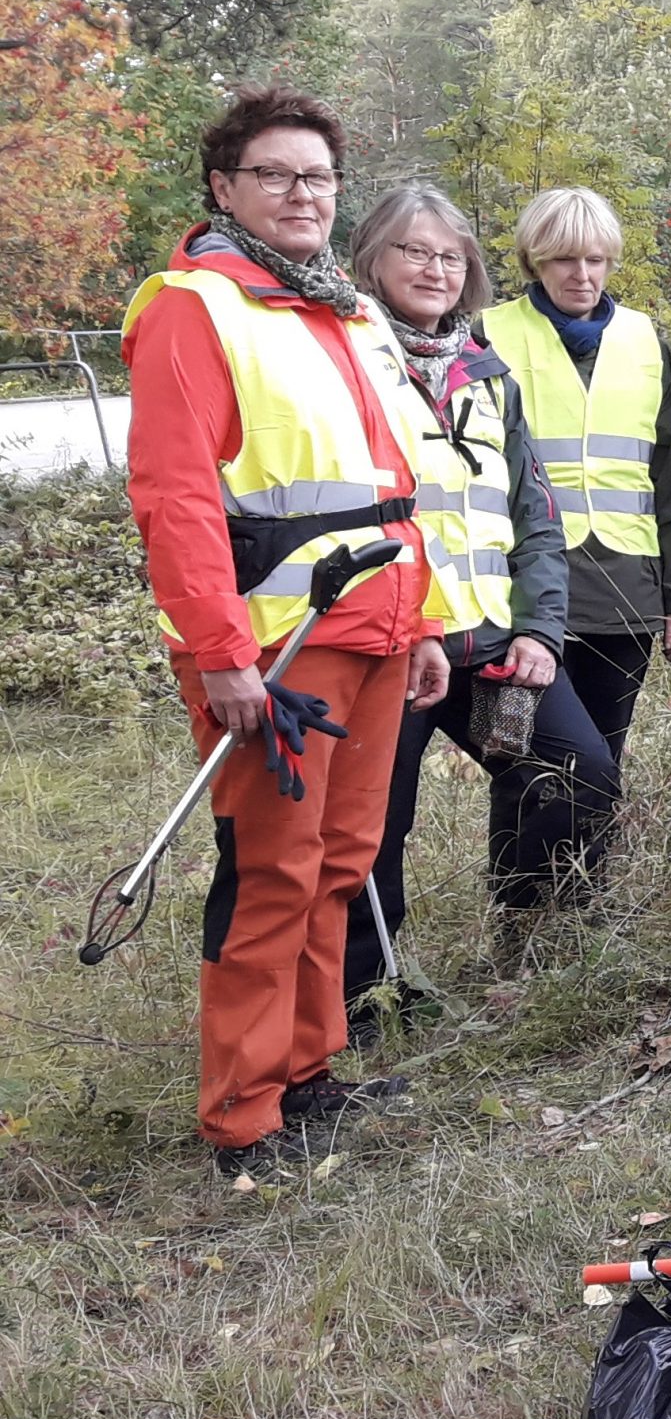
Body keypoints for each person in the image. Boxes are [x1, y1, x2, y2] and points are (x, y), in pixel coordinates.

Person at [121, 85, 449, 1180]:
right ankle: (242, 1119)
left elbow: (394, 482)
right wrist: (218, 656)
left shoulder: (344, 308)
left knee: (340, 866)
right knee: (271, 872)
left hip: (378, 626)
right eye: (276, 174)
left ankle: (310, 1075)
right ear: (225, 189)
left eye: (317, 176)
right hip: (276, 647)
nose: (301, 194)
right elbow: (173, 496)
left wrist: (429, 618)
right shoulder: (191, 306)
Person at [337, 185, 622, 1008]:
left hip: (490, 643)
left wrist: (540, 627)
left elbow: (534, 513)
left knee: (579, 769)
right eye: (415, 251)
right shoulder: (350, 361)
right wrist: (414, 621)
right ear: (372, 261)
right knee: (373, 822)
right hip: (393, 639)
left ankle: (526, 934)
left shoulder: (486, 376)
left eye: (451, 255)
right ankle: (367, 992)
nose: (436, 268)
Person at [480, 186, 671, 770]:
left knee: (600, 766)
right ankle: (520, 867)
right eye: (563, 259)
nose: (581, 275)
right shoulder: (486, 335)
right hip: (520, 594)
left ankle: (590, 864)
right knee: (517, 758)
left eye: (594, 259)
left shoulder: (643, 341)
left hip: (624, 594)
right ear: (534, 260)